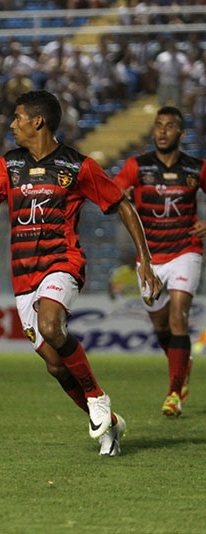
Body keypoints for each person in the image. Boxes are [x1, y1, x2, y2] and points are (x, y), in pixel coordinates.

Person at [0, 90, 162, 457]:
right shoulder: (8, 165)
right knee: (56, 366)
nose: (12, 124)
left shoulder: (77, 166)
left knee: (52, 327)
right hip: (23, 275)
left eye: (18, 117)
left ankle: (97, 397)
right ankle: (110, 424)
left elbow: (121, 202)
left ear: (37, 121)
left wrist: (145, 260)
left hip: (63, 262)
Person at [112, 106, 206, 417]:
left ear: (181, 133)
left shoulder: (196, 168)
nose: (163, 131)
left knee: (178, 318)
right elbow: (112, 195)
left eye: (170, 126)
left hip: (185, 251)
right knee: (161, 324)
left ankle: (174, 393)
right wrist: (119, 196)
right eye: (158, 125)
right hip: (149, 259)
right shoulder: (136, 167)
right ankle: (182, 367)